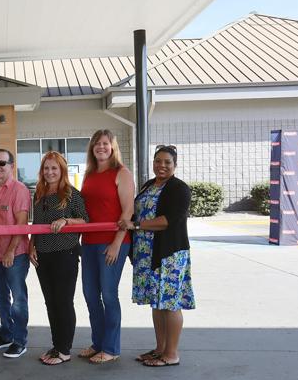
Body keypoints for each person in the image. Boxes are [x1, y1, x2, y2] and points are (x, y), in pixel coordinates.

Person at [119, 145, 194, 367]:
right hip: (147, 254)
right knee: (157, 302)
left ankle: (171, 354)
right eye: (158, 161)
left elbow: (168, 220)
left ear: (175, 165)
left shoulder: (179, 188)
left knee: (170, 303)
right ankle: (159, 349)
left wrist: (137, 225)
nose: (161, 165)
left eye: (167, 162)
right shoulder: (149, 185)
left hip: (168, 254)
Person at [79, 129, 135, 364]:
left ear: (112, 147)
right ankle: (98, 342)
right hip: (89, 243)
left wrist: (116, 243)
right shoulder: (89, 174)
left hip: (113, 243)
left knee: (109, 295)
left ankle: (111, 348)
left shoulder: (121, 173)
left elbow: (128, 211)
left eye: (105, 143)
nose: (101, 147)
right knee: (90, 295)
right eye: (96, 144)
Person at [29, 151, 89, 365]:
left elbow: (85, 221)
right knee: (50, 303)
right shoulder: (39, 193)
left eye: (54, 168)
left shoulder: (71, 193)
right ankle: (56, 346)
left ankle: (64, 350)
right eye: (46, 168)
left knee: (63, 302)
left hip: (66, 253)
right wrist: (31, 246)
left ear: (62, 170)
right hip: (42, 255)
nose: (50, 172)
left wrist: (66, 220)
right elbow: (36, 224)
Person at [0, 149, 31, 358]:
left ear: (12, 165)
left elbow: (21, 225)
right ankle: (6, 334)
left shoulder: (19, 190)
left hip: (16, 254)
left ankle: (20, 341)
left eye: (2, 163)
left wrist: (10, 251)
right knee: (0, 298)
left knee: (18, 299)